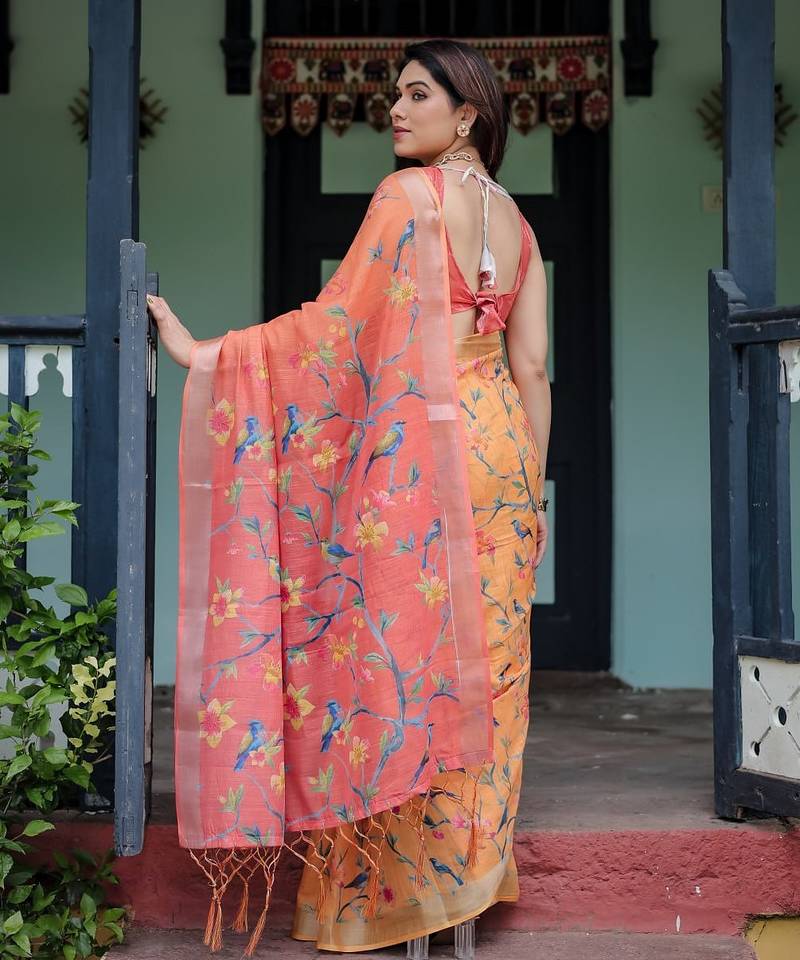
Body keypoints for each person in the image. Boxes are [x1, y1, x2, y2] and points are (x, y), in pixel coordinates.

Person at [150, 37, 549, 960]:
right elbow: (532, 366)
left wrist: (210, 355)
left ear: (469, 112)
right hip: (503, 451)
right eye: (395, 95)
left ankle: (393, 898)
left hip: (428, 452)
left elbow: (334, 328)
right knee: (487, 671)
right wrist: (531, 491)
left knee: (403, 661)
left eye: (417, 95)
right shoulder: (516, 222)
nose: (396, 111)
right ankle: (467, 881)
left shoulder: (408, 198)